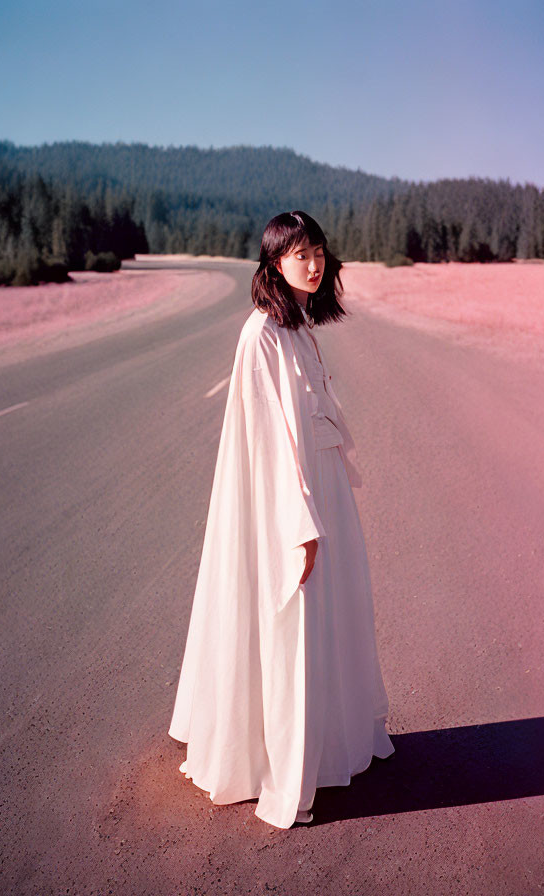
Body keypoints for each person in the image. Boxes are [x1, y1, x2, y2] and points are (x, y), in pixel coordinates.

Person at [168, 210, 394, 829]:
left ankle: (324, 746)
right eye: (299, 255)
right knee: (291, 618)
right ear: (272, 265)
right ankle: (276, 760)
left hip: (323, 494)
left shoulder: (301, 332)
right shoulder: (261, 334)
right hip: (290, 504)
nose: (314, 264)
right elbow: (268, 442)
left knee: (331, 613)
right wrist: (300, 523)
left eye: (319, 251)